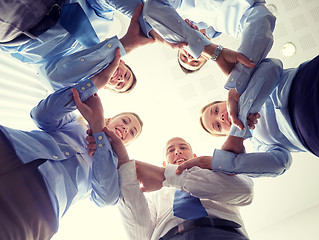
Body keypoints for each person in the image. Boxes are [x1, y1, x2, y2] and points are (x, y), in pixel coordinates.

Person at [0, 50, 143, 240]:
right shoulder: (77, 120)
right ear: (109, 118)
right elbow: (40, 116)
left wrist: (99, 132)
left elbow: (106, 197)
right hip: (11, 147)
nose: (126, 129)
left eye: (131, 132)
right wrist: (87, 90)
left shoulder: (114, 170)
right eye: (125, 121)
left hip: (39, 207)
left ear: (128, 144)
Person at [177, 45, 319, 178]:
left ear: (225, 101)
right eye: (217, 126)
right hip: (316, 134)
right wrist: (226, 162)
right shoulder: (258, 144)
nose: (221, 117)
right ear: (225, 135)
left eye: (216, 110)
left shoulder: (244, 82)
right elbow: (281, 163)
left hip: (311, 79)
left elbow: (273, 66)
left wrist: (242, 113)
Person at [105, 135, 253, 240]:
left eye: (183, 147)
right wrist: (125, 169)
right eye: (170, 150)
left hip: (224, 234)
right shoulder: (154, 195)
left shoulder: (217, 173)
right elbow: (139, 234)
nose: (177, 151)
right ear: (164, 163)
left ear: (194, 155)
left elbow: (245, 191)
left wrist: (166, 176)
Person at [0, 1, 154, 93]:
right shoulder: (105, 25)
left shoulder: (69, 82)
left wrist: (127, 43)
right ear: (123, 62)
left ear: (106, 87)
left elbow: (52, 78)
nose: (120, 78)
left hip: (14, 28)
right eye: (126, 76)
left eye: (120, 84)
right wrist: (147, 22)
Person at [143, 0, 275, 93]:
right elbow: (261, 19)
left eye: (184, 56)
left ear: (177, 44)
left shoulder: (179, 6)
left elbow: (153, 7)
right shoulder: (236, 28)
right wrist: (236, 81)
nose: (190, 56)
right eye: (195, 61)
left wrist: (191, 36)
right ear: (206, 58)